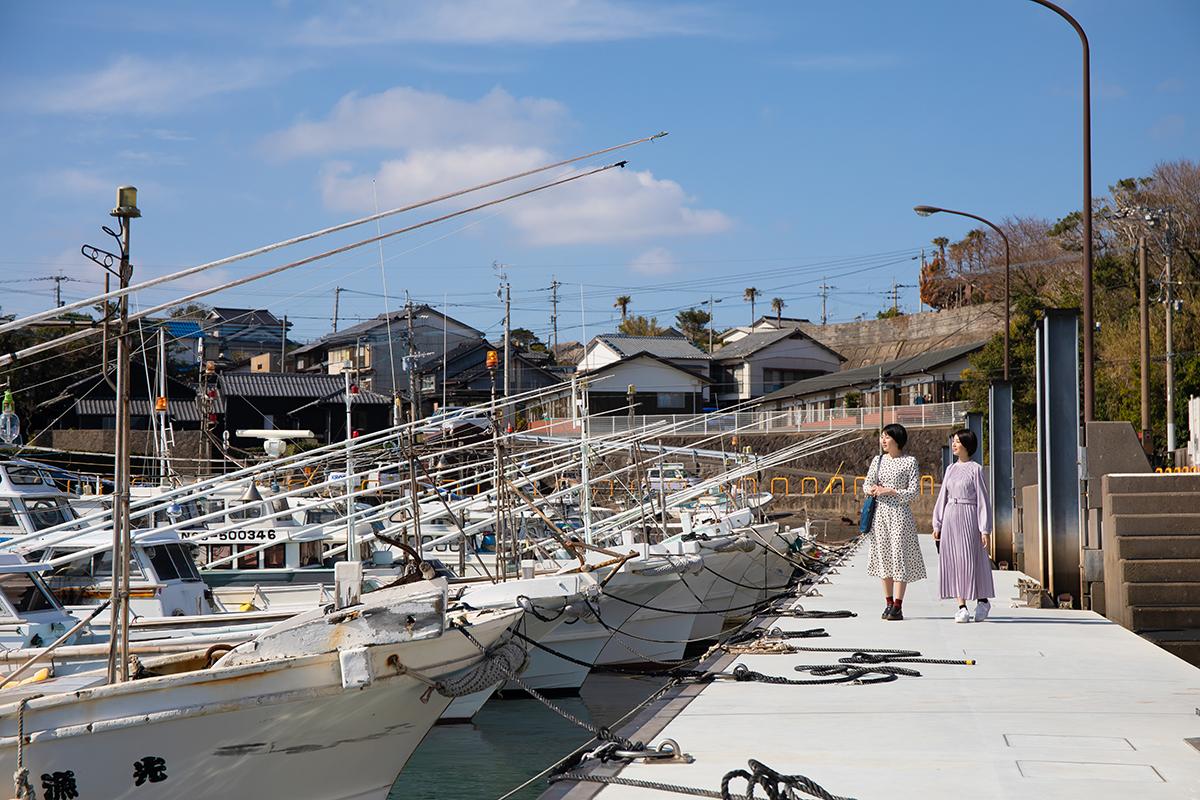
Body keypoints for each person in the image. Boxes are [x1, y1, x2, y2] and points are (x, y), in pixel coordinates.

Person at [932, 429, 995, 622]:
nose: (954, 445)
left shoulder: (976, 469)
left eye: (958, 442)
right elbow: (943, 496)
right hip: (951, 516)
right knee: (954, 560)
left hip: (969, 517)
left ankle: (982, 600)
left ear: (967, 445)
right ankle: (962, 606)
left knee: (970, 560)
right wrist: (937, 523)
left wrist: (984, 528)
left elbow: (983, 500)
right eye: (954, 441)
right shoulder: (950, 469)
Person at [865, 423, 925, 621]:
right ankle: (888, 602)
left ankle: (898, 606)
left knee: (899, 556)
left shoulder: (909, 462)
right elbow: (867, 484)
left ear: (897, 440)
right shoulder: (878, 460)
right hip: (880, 514)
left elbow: (914, 492)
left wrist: (890, 491)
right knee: (884, 557)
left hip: (900, 514)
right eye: (882, 436)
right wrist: (873, 489)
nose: (883, 440)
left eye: (887, 437)